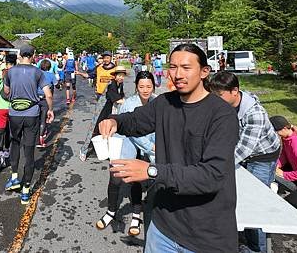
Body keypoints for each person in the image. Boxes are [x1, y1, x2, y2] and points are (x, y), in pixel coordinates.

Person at [99, 44, 239, 253]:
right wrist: (115, 121)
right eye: (173, 67)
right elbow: (137, 120)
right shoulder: (165, 103)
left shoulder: (222, 115)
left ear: (204, 72)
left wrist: (150, 170)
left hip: (205, 232)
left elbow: (211, 176)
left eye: (186, 67)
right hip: (163, 226)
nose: (178, 74)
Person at [209, 71, 281, 253]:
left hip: (262, 157)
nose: (215, 99)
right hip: (243, 154)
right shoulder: (225, 104)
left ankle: (258, 248)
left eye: (219, 95)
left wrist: (215, 165)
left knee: (255, 205)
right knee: (239, 197)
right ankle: (244, 240)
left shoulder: (254, 114)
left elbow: (243, 150)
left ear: (235, 91)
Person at [95, 70, 156, 237]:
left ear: (154, 86)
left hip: (148, 149)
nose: (145, 90)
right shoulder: (129, 103)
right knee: (115, 180)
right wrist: (152, 147)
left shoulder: (157, 102)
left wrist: (154, 147)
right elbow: (132, 131)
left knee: (137, 182)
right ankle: (111, 211)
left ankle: (136, 215)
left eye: (149, 86)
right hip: (128, 144)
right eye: (142, 86)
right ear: (136, 87)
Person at [3, 44, 54, 204]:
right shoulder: (38, 72)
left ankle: (14, 178)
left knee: (15, 143)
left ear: (19, 54)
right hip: (32, 114)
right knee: (29, 150)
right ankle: (25, 191)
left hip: (14, 114)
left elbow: (6, 91)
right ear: (33, 55)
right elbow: (48, 94)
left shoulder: (10, 71)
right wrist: (50, 110)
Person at [0, 53, 17, 169]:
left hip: (1, 106)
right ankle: (7, 150)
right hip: (14, 106)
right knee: (11, 130)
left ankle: (0, 152)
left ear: (6, 62)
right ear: (16, 62)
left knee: (0, 130)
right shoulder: (18, 73)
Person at [37, 58, 58, 148]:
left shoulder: (36, 74)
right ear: (49, 67)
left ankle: (35, 136)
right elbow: (56, 84)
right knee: (43, 119)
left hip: (35, 98)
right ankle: (41, 138)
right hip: (45, 98)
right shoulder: (51, 75)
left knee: (35, 118)